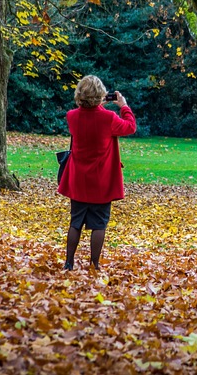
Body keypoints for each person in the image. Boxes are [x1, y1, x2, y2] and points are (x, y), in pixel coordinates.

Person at [57, 75, 136, 271]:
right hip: (101, 181)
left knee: (75, 222)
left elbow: (87, 118)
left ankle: (69, 262)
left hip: (78, 180)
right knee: (99, 223)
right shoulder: (108, 118)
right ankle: (94, 264)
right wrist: (123, 106)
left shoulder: (72, 116)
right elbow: (130, 127)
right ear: (100, 95)